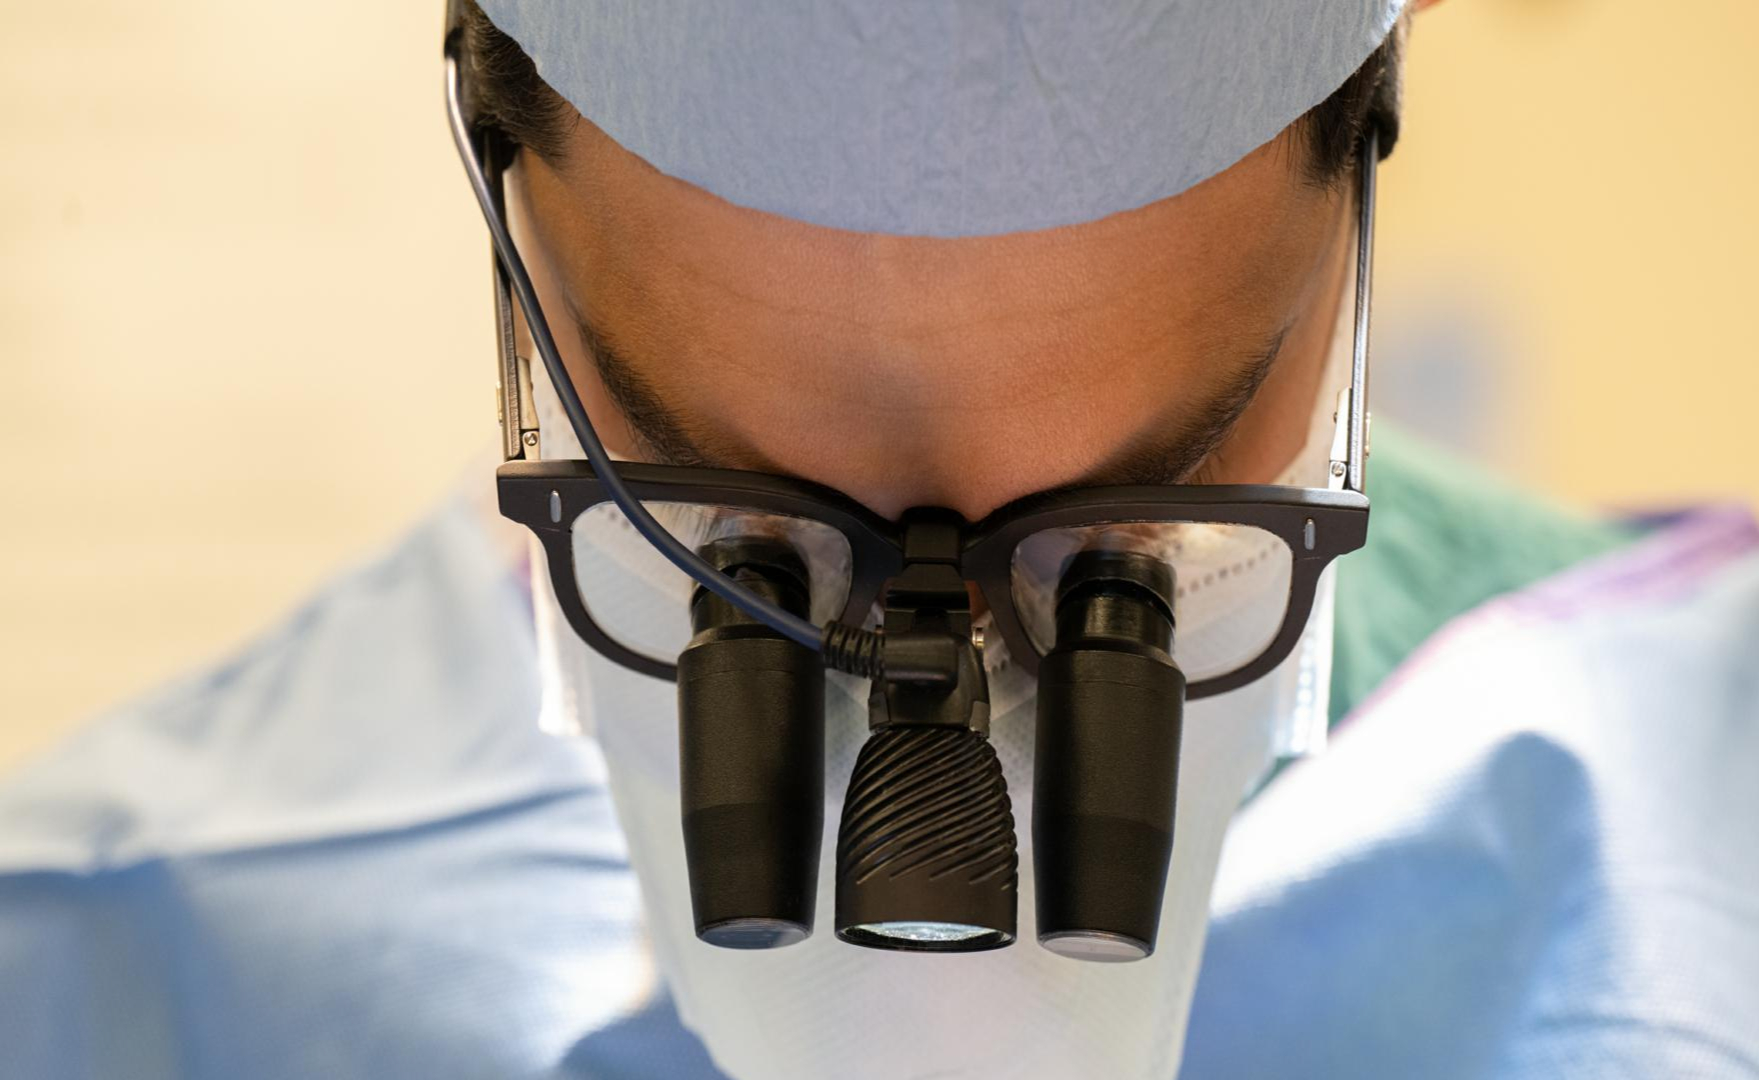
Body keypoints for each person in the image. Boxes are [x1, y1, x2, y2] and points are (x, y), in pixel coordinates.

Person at [3, 1, 1755, 1077]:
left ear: (1377, 119)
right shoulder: (106, 976)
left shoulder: (1690, 894)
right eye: (740, 549)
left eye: (1123, 550)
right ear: (492, 160)